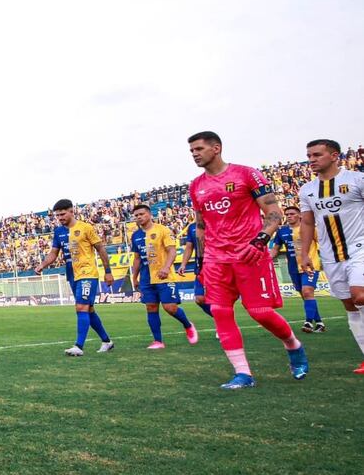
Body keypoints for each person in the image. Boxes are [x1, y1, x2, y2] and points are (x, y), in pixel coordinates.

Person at [188, 131, 308, 390]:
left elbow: (274, 213)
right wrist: (201, 260)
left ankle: (293, 345)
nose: (195, 154)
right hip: (216, 259)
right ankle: (243, 373)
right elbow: (200, 226)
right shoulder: (196, 185)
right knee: (220, 311)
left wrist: (261, 240)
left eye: (198, 149)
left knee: (260, 312)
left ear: (216, 148)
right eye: (192, 151)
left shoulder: (246, 174)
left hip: (250, 253)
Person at [299, 139, 364, 374]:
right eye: (309, 156)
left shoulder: (357, 180)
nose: (312, 160)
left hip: (359, 248)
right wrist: (304, 253)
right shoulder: (307, 190)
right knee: (349, 304)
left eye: (317, 155)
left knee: (360, 296)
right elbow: (307, 222)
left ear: (335, 155)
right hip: (330, 254)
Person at [35, 199, 115, 356]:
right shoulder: (58, 232)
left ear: (72, 211)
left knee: (81, 307)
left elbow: (101, 249)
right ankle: (107, 341)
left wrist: (108, 271)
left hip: (87, 272)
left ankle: (79, 346)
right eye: (57, 215)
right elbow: (54, 253)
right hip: (72, 273)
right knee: (88, 309)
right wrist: (42, 265)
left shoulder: (86, 228)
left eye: (63, 214)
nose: (60, 218)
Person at [130, 204, 198, 349]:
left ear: (149, 214)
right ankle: (158, 341)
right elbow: (137, 258)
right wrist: (134, 277)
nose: (139, 217)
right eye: (136, 216)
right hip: (146, 277)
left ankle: (188, 325)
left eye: (141, 214)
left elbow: (172, 251)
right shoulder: (135, 235)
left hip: (164, 275)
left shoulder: (162, 230)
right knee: (151, 307)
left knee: (170, 308)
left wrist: (166, 267)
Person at [271, 206, 325, 333]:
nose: (289, 216)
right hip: (293, 268)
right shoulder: (282, 231)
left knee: (307, 292)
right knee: (305, 295)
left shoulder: (310, 229)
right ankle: (319, 323)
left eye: (292, 214)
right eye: (287, 214)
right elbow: (275, 249)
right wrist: (264, 259)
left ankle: (308, 322)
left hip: (310, 266)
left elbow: (323, 244)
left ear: (300, 215)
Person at [177, 220, 214, 319]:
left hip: (217, 264)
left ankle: (224, 324)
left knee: (221, 299)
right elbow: (189, 247)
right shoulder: (192, 227)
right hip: (201, 267)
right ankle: (221, 320)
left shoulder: (216, 221)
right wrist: (183, 264)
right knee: (199, 298)